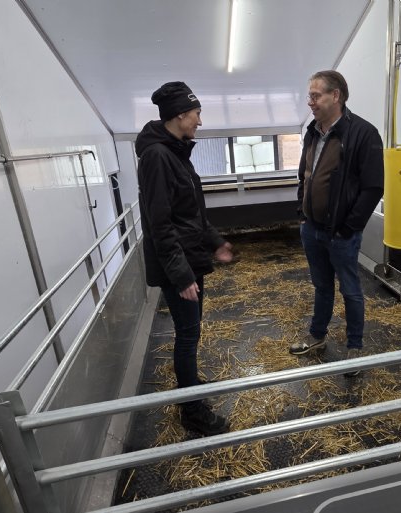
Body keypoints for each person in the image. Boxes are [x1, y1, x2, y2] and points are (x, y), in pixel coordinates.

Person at [135, 81, 233, 435]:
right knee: (188, 335)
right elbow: (159, 224)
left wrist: (215, 242)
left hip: (188, 258)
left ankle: (191, 388)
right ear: (179, 115)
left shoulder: (175, 152)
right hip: (178, 264)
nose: (200, 122)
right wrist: (181, 275)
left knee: (190, 333)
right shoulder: (158, 158)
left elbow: (190, 212)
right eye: (196, 114)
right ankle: (192, 411)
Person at [290, 70, 384, 377]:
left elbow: (373, 188)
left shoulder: (362, 133)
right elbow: (306, 174)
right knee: (321, 285)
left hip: (341, 233)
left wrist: (349, 227)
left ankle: (354, 348)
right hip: (312, 228)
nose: (310, 103)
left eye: (316, 96)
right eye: (310, 96)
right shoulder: (313, 131)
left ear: (336, 96)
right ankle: (317, 336)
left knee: (351, 290)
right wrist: (303, 211)